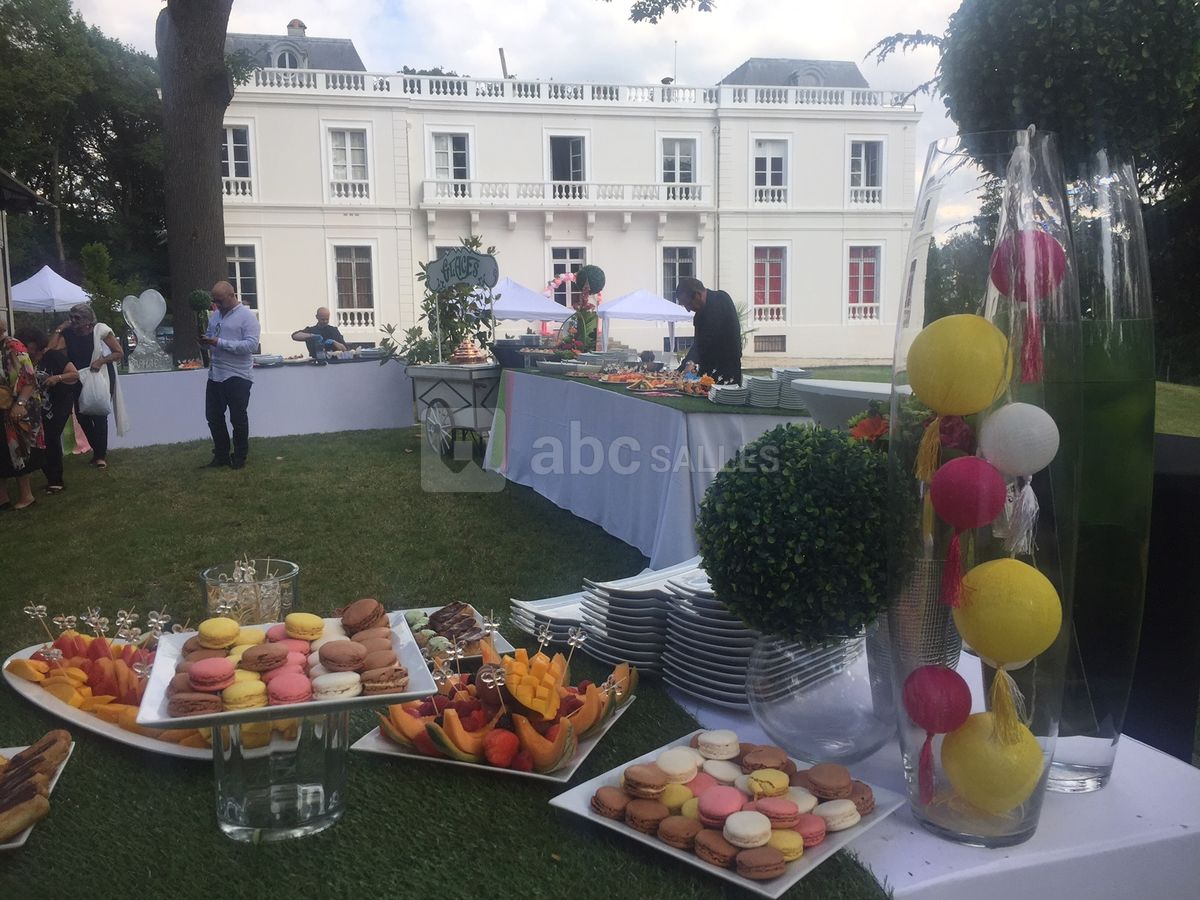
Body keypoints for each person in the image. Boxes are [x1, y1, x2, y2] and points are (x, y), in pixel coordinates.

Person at [48, 302, 126, 469]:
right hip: (78, 376)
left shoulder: (101, 330)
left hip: (99, 374)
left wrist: (101, 360)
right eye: (71, 317)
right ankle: (97, 450)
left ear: (89, 321)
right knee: (82, 415)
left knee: (98, 413)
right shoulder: (68, 332)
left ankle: (100, 456)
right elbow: (51, 349)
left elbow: (118, 352)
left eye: (77, 318)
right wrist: (60, 328)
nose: (73, 320)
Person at [200, 280, 261, 469]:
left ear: (232, 295)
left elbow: (251, 345)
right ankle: (221, 454)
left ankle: (240, 456)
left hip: (238, 375)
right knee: (213, 417)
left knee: (237, 418)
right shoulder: (215, 316)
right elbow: (211, 337)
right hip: (216, 373)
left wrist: (220, 342)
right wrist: (205, 342)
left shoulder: (247, 317)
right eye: (215, 301)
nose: (217, 304)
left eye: (220, 300)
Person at [16, 327, 79, 494]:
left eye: (27, 344)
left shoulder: (53, 356)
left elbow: (74, 375)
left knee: (50, 438)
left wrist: (57, 378)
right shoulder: (23, 360)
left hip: (58, 404)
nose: (24, 348)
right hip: (38, 408)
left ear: (36, 344)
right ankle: (50, 476)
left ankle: (56, 480)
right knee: (41, 441)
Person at [0, 319, 44, 509]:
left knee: (18, 450)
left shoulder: (13, 346)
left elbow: (29, 377)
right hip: (3, 404)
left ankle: (27, 496)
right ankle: (3, 499)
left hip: (18, 405)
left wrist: (20, 403)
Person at [674, 276, 743, 384]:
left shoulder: (720, 300)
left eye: (687, 304)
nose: (688, 309)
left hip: (727, 371)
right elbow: (697, 344)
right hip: (707, 371)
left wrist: (690, 362)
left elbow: (706, 339)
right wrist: (681, 368)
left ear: (697, 295)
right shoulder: (699, 314)